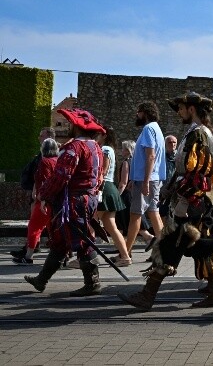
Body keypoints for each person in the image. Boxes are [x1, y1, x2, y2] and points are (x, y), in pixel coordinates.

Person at [119, 91, 213, 310]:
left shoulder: (200, 134)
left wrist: (184, 201)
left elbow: (198, 173)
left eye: (181, 108)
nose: (178, 112)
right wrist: (171, 190)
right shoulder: (195, 132)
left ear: (192, 109)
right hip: (193, 200)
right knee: (195, 246)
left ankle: (148, 295)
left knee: (172, 244)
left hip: (194, 202)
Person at [24, 109, 105, 297]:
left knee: (82, 241)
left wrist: (44, 195)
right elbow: (99, 177)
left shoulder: (74, 147)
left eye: (70, 124)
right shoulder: (96, 147)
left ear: (76, 127)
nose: (68, 127)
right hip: (87, 199)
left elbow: (61, 177)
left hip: (75, 201)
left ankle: (93, 283)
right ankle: (41, 280)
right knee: (60, 241)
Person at [123, 101, 166, 255]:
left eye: (139, 111)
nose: (137, 114)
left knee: (135, 215)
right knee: (154, 213)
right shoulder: (157, 129)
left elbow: (150, 156)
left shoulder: (148, 129)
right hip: (151, 178)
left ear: (145, 112)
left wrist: (145, 181)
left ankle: (125, 253)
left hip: (146, 179)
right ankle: (163, 250)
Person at [12, 138, 59, 265]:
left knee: (34, 228)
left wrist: (42, 198)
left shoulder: (44, 162)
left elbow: (44, 180)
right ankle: (61, 256)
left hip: (44, 201)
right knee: (53, 230)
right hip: (55, 201)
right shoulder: (58, 161)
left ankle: (28, 256)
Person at [95, 126, 131, 267]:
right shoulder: (108, 149)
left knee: (91, 224)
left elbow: (102, 171)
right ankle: (125, 256)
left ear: (104, 135)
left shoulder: (105, 150)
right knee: (111, 227)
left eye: (99, 133)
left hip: (104, 188)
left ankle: (84, 258)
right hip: (109, 188)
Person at [160, 135, 178, 219]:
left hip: (177, 190)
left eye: (174, 142)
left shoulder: (180, 157)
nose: (172, 144)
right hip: (163, 189)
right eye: (170, 142)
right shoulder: (161, 157)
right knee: (162, 213)